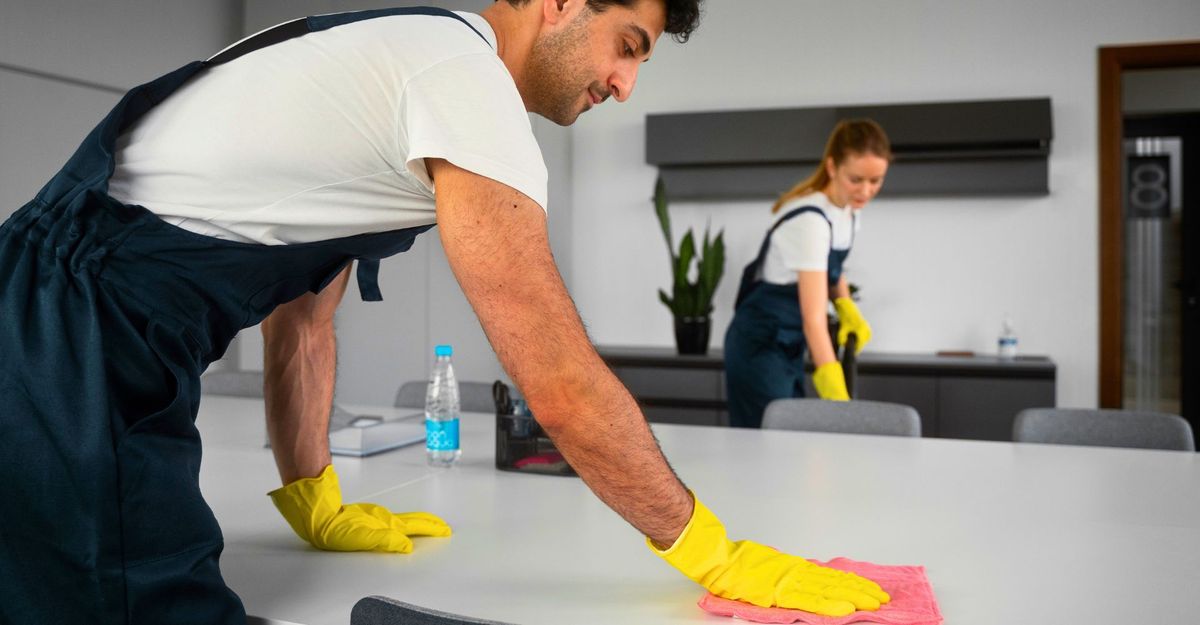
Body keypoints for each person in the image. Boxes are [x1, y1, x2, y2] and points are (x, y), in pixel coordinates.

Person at [0, 2, 890, 623]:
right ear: (560, 2)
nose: (625, 83)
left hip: (54, 316)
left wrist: (314, 498)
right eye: (627, 44)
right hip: (70, 340)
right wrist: (712, 552)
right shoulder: (465, 86)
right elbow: (559, 382)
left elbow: (303, 321)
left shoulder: (404, 58)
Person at [724, 119, 891, 428]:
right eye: (856, 179)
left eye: (876, 180)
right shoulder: (810, 221)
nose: (866, 191)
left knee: (789, 440)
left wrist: (845, 306)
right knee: (765, 445)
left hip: (789, 342)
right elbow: (814, 318)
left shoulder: (847, 212)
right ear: (832, 167)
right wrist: (836, 394)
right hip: (759, 346)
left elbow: (831, 270)